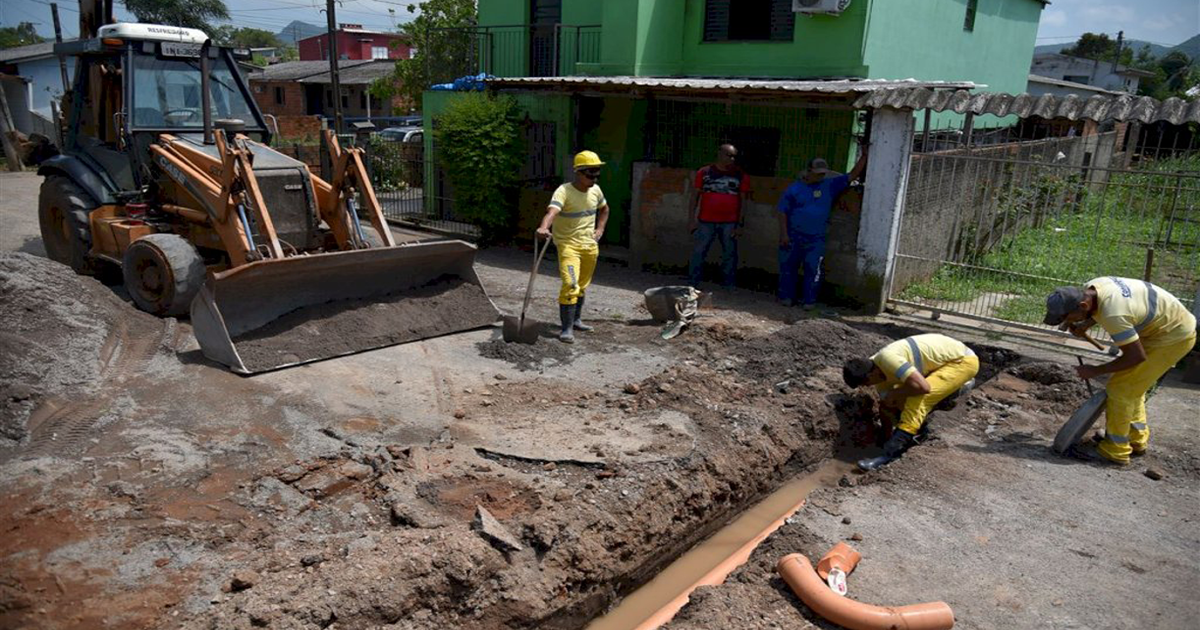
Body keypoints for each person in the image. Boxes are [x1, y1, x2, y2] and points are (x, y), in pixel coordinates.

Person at [1043, 278, 1196, 465]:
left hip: (1173, 337)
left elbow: (1135, 357)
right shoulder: (1095, 286)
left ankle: (1115, 451)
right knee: (1133, 385)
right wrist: (1085, 324)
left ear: (1082, 305)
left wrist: (1095, 370)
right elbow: (1099, 309)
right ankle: (1135, 439)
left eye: (1066, 317)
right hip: (1165, 326)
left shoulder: (1114, 315)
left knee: (1121, 389)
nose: (1066, 322)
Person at [843, 333, 979, 471]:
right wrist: (885, 437)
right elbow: (887, 406)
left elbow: (923, 388)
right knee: (899, 399)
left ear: (870, 374)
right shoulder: (879, 378)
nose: (867, 386)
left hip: (961, 361)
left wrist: (895, 394)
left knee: (918, 398)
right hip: (939, 366)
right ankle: (913, 432)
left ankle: (890, 454)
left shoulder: (888, 359)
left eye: (865, 383)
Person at [777, 148, 867, 308]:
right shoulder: (794, 188)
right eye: (817, 173)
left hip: (815, 237)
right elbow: (782, 211)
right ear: (809, 171)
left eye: (823, 173)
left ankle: (809, 300)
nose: (820, 176)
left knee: (813, 268)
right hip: (793, 235)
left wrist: (864, 156)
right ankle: (787, 297)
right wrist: (784, 234)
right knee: (789, 267)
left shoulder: (829, 185)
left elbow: (852, 175)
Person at [537, 150, 610, 344]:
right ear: (578, 172)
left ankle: (576, 320)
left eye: (597, 173)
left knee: (582, 286)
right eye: (590, 174)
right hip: (569, 246)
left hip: (589, 246)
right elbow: (552, 212)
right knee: (571, 284)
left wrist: (600, 229)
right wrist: (544, 227)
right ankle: (566, 329)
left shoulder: (596, 191)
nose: (594, 178)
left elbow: (605, 209)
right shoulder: (564, 191)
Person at [687, 144, 750, 288]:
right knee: (699, 251)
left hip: (730, 222)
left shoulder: (740, 175)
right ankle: (693, 283)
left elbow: (743, 201)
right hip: (706, 220)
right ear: (720, 154)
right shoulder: (704, 172)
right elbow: (694, 197)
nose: (732, 159)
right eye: (729, 156)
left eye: (734, 156)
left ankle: (729, 284)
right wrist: (691, 219)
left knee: (729, 253)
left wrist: (740, 224)